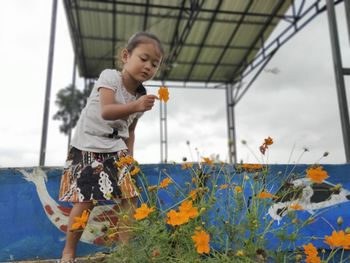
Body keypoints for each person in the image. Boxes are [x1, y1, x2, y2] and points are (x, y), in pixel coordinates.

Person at [57, 31, 164, 263]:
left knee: (130, 196)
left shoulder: (140, 95)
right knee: (85, 200)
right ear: (126, 56)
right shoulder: (110, 77)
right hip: (89, 142)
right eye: (143, 58)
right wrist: (136, 105)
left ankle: (124, 252)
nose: (148, 67)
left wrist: (130, 160)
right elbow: (107, 111)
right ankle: (68, 253)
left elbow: (131, 130)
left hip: (116, 147)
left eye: (154, 64)